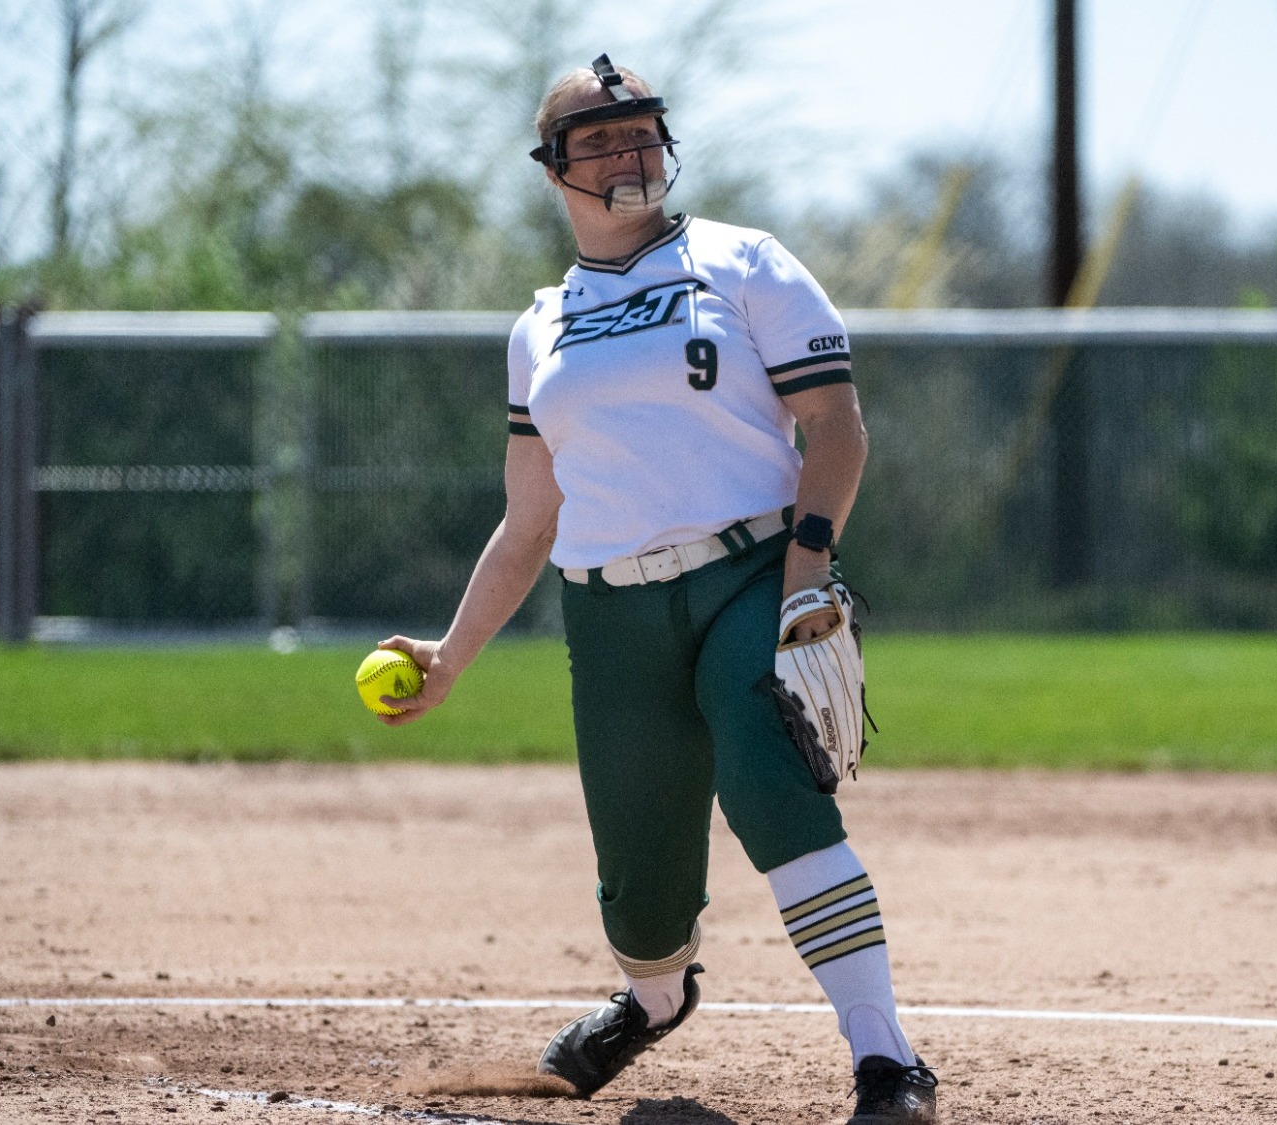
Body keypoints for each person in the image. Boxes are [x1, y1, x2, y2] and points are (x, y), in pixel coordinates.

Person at [374, 54, 937, 1125]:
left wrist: (805, 576)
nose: (629, 151)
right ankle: (651, 996)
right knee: (639, 876)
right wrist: (449, 660)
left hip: (747, 577)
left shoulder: (741, 261)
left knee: (772, 791)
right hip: (608, 611)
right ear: (554, 170)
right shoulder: (538, 325)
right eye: (600, 138)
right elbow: (528, 521)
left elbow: (835, 426)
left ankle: (885, 1062)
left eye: (641, 130)